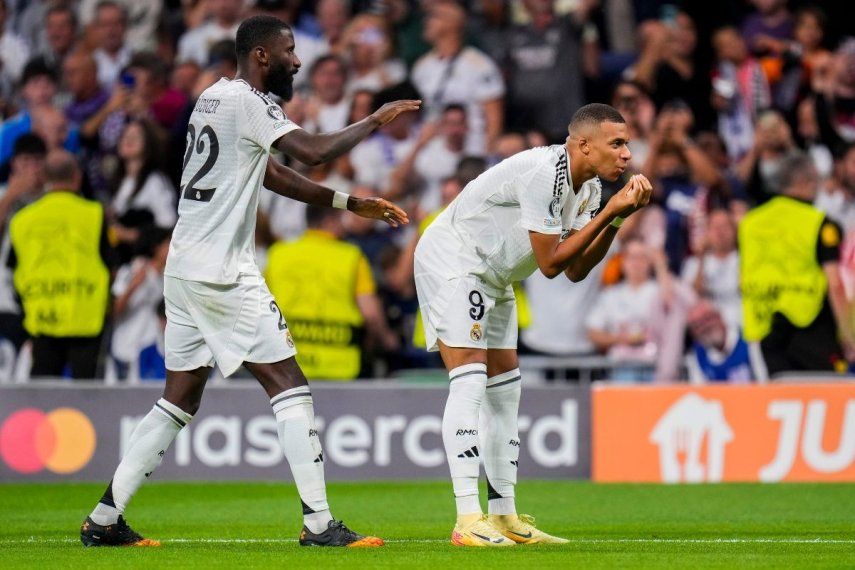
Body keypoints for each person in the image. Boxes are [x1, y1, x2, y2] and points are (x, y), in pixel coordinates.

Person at [80, 15, 418, 548]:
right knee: (289, 383)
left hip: (185, 263)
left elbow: (271, 172)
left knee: (181, 395)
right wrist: (377, 117)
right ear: (261, 56)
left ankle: (104, 518)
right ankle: (319, 524)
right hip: (221, 271)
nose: (297, 59)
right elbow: (312, 151)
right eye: (288, 50)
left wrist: (346, 203)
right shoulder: (252, 102)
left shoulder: (212, 98)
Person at [413, 103, 651, 546]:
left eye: (627, 145)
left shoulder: (590, 189)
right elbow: (549, 263)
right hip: (455, 260)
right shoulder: (546, 171)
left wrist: (617, 216)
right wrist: (611, 211)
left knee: (506, 391)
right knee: (469, 382)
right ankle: (467, 518)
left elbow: (576, 269)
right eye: (617, 143)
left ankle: (504, 516)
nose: (626, 154)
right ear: (584, 144)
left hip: (497, 274)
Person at [739, 153, 853, 378]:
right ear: (804, 181)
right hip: (813, 326)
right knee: (824, 401)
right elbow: (835, 284)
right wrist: (849, 336)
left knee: (784, 399)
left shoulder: (749, 223)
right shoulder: (820, 223)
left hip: (764, 330)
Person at [8, 150, 111, 379]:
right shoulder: (95, 214)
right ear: (78, 177)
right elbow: (109, 263)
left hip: (42, 318)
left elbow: (13, 270)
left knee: (43, 398)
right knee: (88, 403)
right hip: (86, 320)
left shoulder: (22, 220)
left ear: (44, 178)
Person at [265, 206, 399, 380]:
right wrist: (388, 340)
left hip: (288, 366)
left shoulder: (278, 254)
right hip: (340, 367)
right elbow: (371, 314)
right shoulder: (351, 257)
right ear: (329, 221)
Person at [411, 1, 505, 155]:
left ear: (451, 24)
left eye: (433, 18)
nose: (426, 22)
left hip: (471, 149)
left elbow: (494, 117)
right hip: (432, 151)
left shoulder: (479, 65)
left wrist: (488, 155)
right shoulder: (422, 67)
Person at [685, 300, 752, 384]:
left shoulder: (748, 340)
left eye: (707, 318)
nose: (705, 327)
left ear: (719, 316)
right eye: (697, 325)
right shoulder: (698, 356)